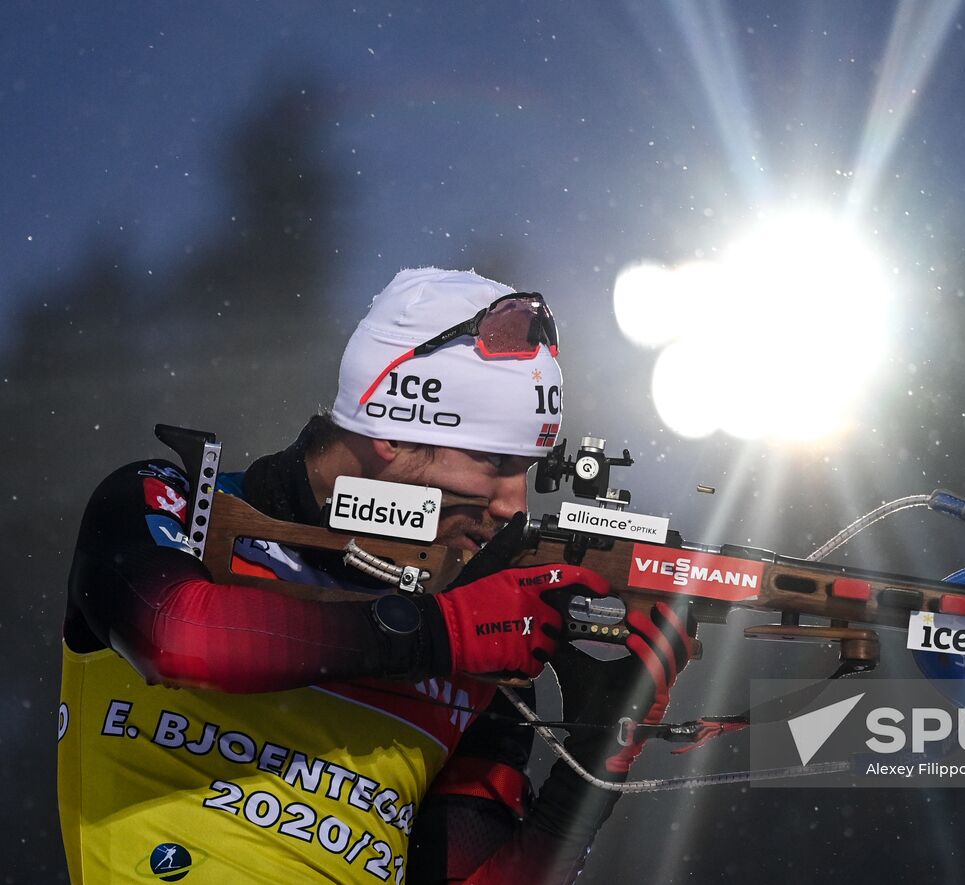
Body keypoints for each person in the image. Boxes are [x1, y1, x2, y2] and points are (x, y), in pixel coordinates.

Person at [57, 267, 694, 883]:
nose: (514, 505)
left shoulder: (479, 624)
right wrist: (446, 633)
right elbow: (176, 634)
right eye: (496, 462)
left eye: (526, 470)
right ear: (394, 431)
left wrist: (591, 769)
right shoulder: (176, 504)